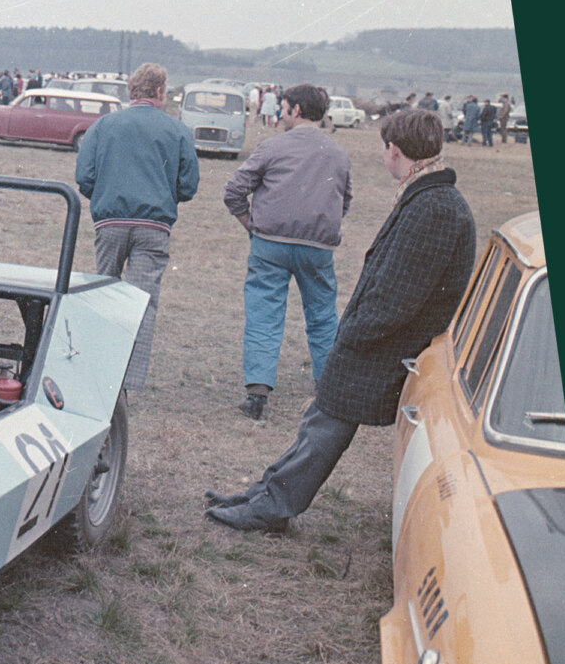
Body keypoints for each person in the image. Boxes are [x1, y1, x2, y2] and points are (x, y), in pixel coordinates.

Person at [204, 109, 476, 534]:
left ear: (395, 150)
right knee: (319, 422)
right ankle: (265, 494)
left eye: (384, 148)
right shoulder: (429, 197)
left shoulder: (435, 207)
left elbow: (397, 297)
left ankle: (272, 508)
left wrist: (352, 336)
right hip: (378, 340)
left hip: (383, 346)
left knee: (325, 428)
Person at [222, 83, 352, 420]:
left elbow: (234, 189)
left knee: (264, 314)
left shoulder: (272, 147)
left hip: (270, 245)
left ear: (296, 110)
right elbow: (344, 201)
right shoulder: (338, 154)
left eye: (283, 108)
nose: (280, 114)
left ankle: (257, 393)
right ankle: (329, 390)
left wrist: (250, 225)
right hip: (318, 248)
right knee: (323, 316)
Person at [72, 62, 200, 392]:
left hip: (110, 223)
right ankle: (127, 382)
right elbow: (188, 186)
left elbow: (84, 177)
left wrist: (106, 194)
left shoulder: (103, 125)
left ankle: (98, 368)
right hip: (153, 227)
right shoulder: (177, 130)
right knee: (142, 303)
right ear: (159, 91)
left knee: (102, 293)